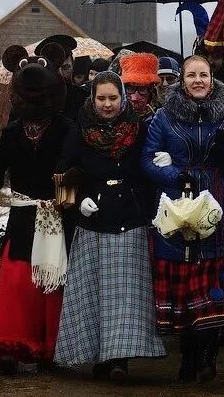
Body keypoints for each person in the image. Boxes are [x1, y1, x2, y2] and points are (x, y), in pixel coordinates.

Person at [141, 55, 224, 383]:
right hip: (178, 206)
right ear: (182, 80)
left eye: (203, 75)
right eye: (191, 75)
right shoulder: (163, 116)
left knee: (211, 275)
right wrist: (174, 173)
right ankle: (187, 352)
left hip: (218, 202)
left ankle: (208, 353)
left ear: (212, 79)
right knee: (183, 278)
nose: (198, 80)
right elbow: (147, 160)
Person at [0, 43, 80, 368]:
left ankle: (53, 346)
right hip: (21, 216)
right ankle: (13, 344)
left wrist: (66, 205)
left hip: (57, 216)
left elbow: (70, 168)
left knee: (52, 280)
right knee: (19, 279)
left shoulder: (67, 129)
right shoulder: (11, 133)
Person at [54, 71, 165, 379]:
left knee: (126, 295)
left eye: (113, 98)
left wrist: (162, 164)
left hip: (130, 217)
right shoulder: (79, 131)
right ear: (93, 98)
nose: (107, 104)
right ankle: (97, 355)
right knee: (94, 292)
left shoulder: (139, 129)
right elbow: (62, 174)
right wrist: (78, 203)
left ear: (123, 98)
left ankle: (120, 359)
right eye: (101, 98)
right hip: (93, 219)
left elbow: (147, 170)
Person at [36, 34, 87, 122]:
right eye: (55, 69)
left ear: (73, 64)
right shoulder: (32, 98)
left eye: (65, 68)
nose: (61, 74)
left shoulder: (83, 97)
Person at [120, 52, 161, 124]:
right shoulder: (115, 116)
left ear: (151, 89)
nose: (135, 98)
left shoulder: (162, 117)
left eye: (142, 89)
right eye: (130, 88)